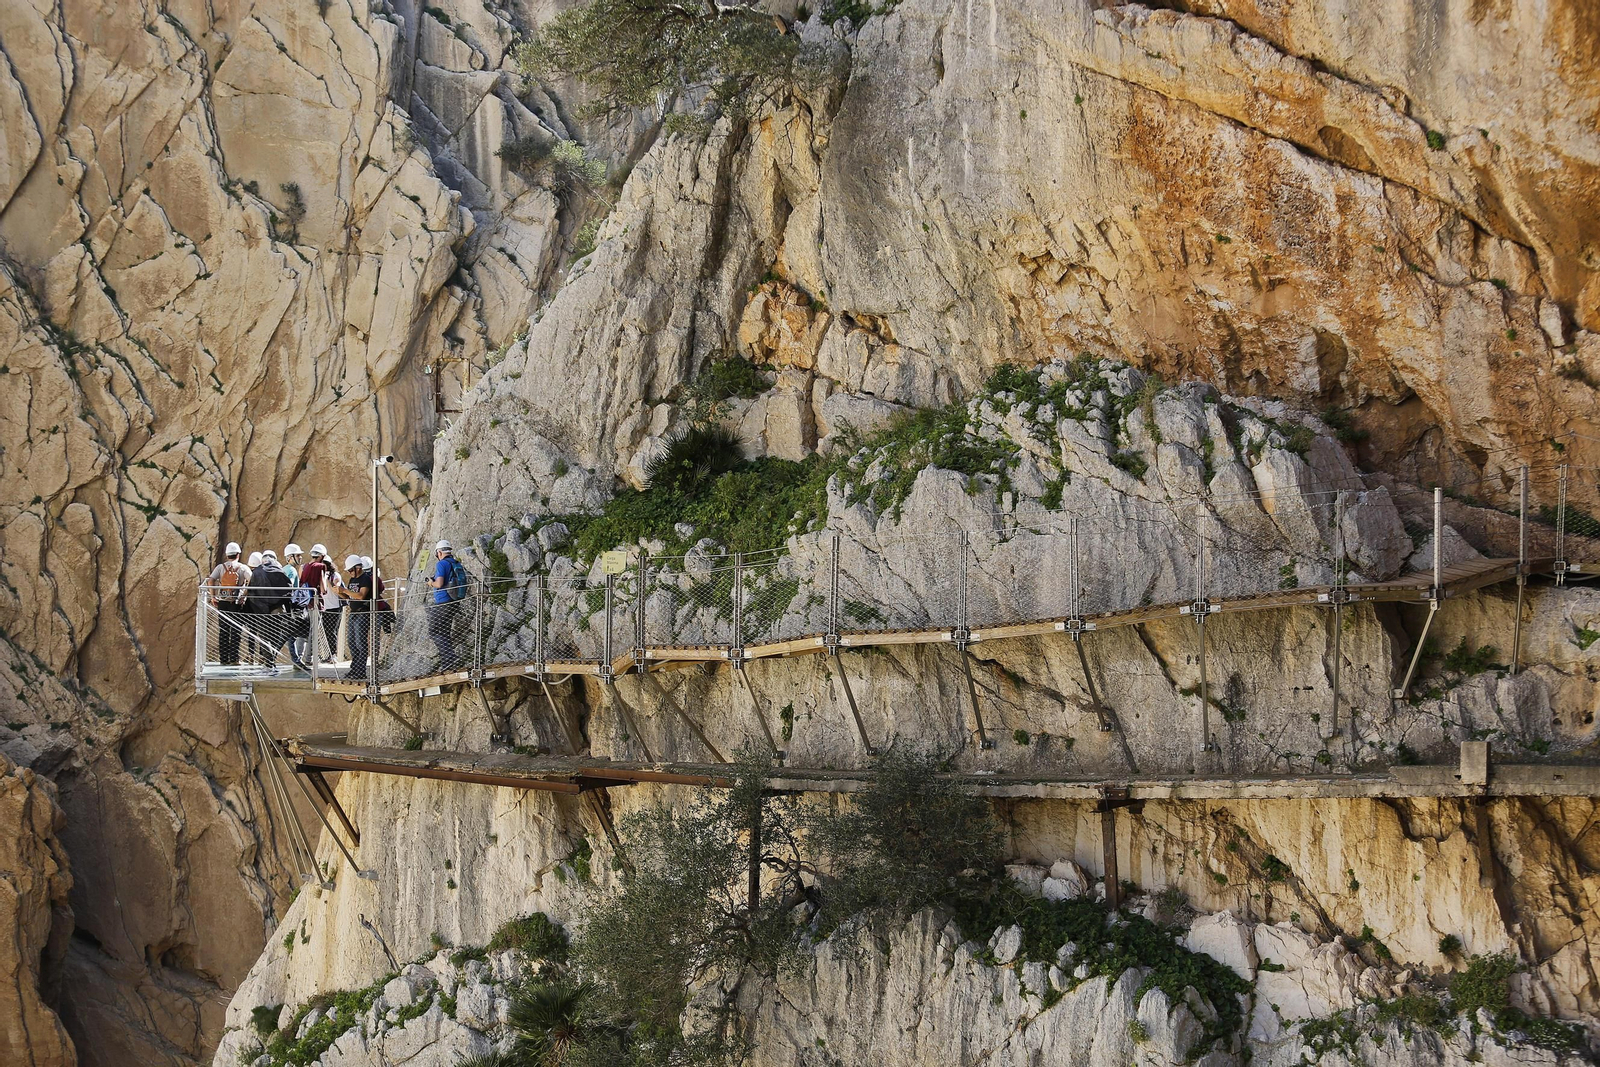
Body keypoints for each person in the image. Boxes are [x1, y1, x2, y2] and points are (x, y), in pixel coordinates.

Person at [205, 542, 251, 666]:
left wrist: (213, 596)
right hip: (236, 603)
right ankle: (234, 659)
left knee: (223, 630)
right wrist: (244, 595)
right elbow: (252, 580)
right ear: (238, 554)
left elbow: (210, 580)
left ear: (227, 555)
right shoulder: (242, 568)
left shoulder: (220, 567)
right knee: (236, 630)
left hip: (223, 602)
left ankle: (223, 659)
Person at [429, 540, 469, 672]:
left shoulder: (442, 564)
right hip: (454, 602)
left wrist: (430, 583)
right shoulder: (455, 563)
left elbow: (439, 584)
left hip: (443, 602)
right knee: (444, 632)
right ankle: (448, 663)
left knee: (434, 631)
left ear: (439, 552)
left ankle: (450, 657)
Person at [248, 550, 293, 666]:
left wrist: (258, 608)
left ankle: (268, 660)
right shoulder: (279, 570)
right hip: (277, 608)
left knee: (264, 636)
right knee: (276, 634)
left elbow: (251, 592)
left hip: (261, 610)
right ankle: (271, 659)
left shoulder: (257, 572)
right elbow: (288, 590)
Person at [336, 555, 373, 680]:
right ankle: (354, 669)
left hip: (363, 613)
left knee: (360, 643)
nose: (350, 573)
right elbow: (349, 597)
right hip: (353, 613)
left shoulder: (365, 579)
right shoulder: (353, 579)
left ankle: (361, 671)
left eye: (351, 570)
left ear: (358, 568)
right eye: (349, 571)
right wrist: (340, 593)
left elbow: (361, 596)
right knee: (352, 642)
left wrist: (344, 590)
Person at [283, 544, 312, 669]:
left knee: (290, 636)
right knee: (290, 635)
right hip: (291, 607)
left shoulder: (285, 569)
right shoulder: (291, 570)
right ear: (290, 557)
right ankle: (296, 661)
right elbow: (289, 587)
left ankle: (296, 661)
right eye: (298, 555)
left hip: (287, 606)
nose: (300, 557)